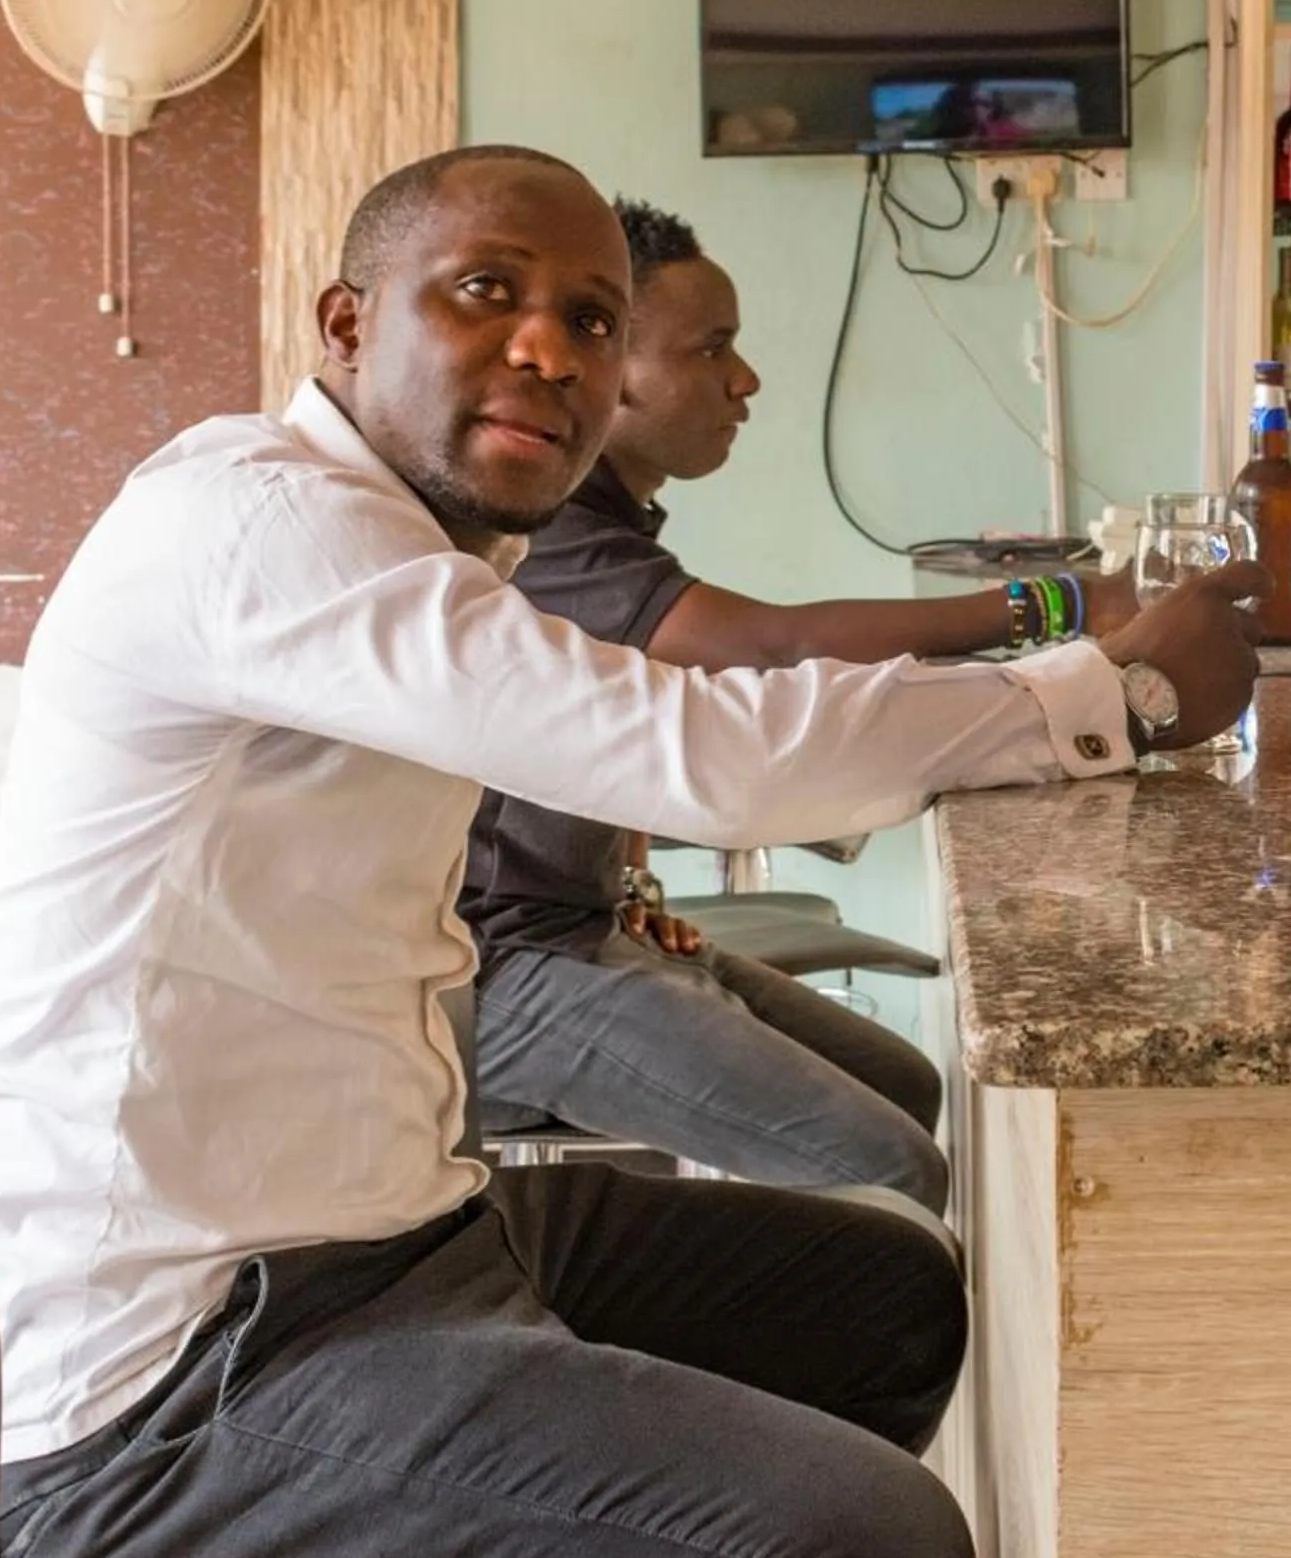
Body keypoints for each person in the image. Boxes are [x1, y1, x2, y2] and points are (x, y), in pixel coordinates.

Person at [0, 144, 1261, 1558]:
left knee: (887, 1297)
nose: (548, 351)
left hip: (391, 1232)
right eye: (485, 292)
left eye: (589, 319)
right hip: (173, 1369)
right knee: (874, 1555)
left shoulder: (428, 546)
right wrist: (1115, 694)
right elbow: (702, 751)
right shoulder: (261, 526)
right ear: (347, 323)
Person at [466, 196, 1136, 1210]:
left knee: (907, 1086)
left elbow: (618, 712)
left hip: (579, 927)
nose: (745, 379)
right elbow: (767, 649)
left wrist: (629, 886)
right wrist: (1064, 604)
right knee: (889, 1169)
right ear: (615, 374)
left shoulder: (598, 520)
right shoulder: (552, 532)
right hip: (500, 971)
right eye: (712, 349)